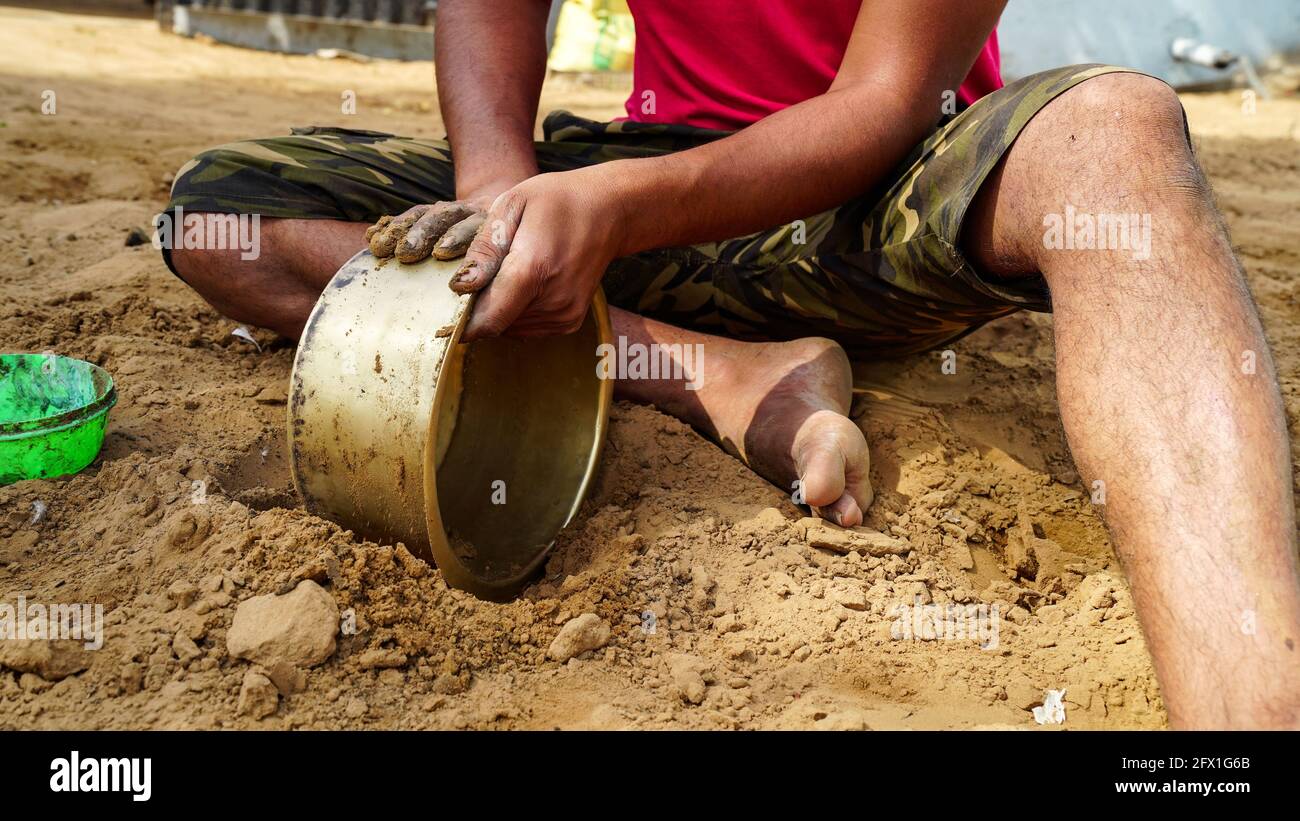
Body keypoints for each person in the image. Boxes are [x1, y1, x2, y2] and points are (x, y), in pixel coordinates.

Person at [163, 0, 1300, 729]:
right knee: (225, 208)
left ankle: (1252, 715)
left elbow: (881, 102)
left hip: (865, 198)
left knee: (1117, 134)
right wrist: (504, 200)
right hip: (645, 185)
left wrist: (607, 209)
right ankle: (722, 374)